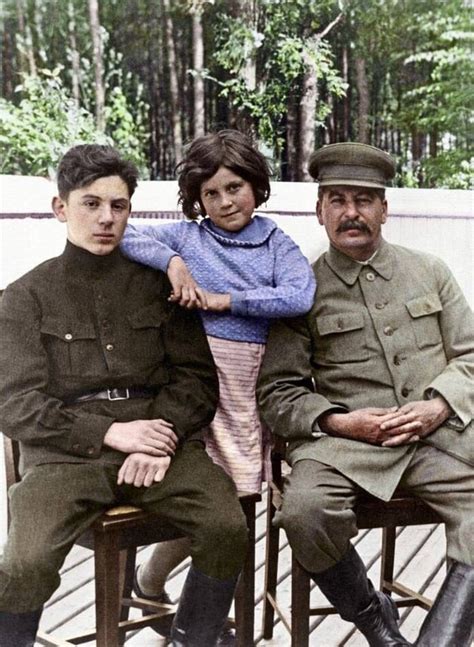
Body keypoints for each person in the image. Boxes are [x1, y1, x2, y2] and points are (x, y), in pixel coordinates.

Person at [0, 144, 249, 647]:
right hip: (65, 456)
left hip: (160, 443)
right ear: (61, 208)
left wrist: (164, 437)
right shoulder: (24, 297)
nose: (106, 218)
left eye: (118, 206)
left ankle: (190, 640)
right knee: (24, 562)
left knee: (228, 526)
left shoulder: (161, 286)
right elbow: (14, 403)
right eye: (91, 204)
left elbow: (197, 380)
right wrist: (113, 432)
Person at [257, 142, 474, 647]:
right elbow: (278, 393)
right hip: (347, 446)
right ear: (319, 211)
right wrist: (339, 422)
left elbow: (470, 355)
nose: (350, 212)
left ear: (384, 208)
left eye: (363, 199)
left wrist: (438, 404)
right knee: (304, 513)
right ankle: (375, 620)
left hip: (437, 439)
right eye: (337, 199)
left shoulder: (431, 271)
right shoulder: (300, 290)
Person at [120, 129, 316, 642]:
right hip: (189, 380)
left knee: (237, 497)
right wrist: (172, 262)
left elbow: (298, 295)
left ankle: (187, 612)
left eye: (236, 187)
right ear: (196, 198)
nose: (226, 201)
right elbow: (123, 233)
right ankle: (161, 588)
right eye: (211, 192)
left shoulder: (275, 241)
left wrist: (225, 299)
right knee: (198, 495)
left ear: (256, 185)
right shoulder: (186, 237)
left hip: (246, 385)